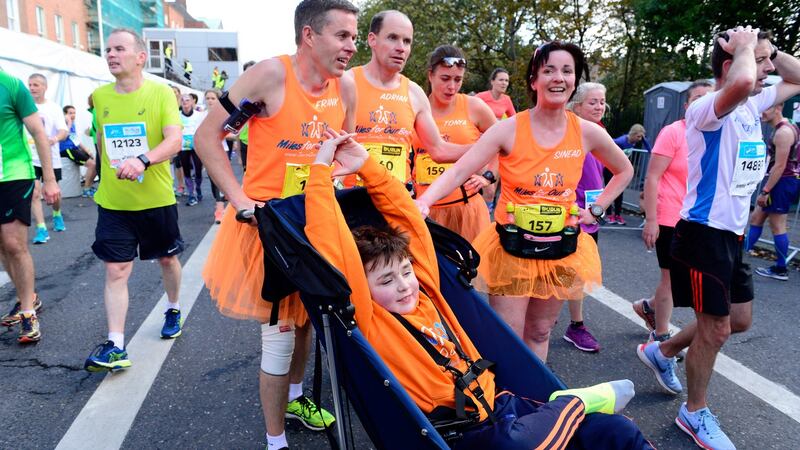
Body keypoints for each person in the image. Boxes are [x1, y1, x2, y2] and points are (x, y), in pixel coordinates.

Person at [305, 129, 653, 450]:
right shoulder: (369, 314)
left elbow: (406, 217)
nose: (402, 286)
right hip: (465, 432)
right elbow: (330, 246)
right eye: (386, 281)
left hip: (502, 405)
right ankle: (574, 403)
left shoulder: (426, 288)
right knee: (516, 446)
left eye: (405, 272)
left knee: (617, 432)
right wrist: (320, 170)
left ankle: (568, 411)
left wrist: (365, 165)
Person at [193, 1, 358, 448]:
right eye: (343, 36)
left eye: (355, 37)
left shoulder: (345, 88)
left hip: (318, 227)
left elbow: (347, 153)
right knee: (280, 337)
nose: (352, 46)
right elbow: (207, 136)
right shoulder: (270, 76)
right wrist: (240, 198)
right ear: (309, 35)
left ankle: (298, 398)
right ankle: (275, 441)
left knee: (306, 322)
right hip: (268, 229)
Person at [416, 41, 633, 362]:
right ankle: (506, 404)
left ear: (574, 81)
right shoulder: (508, 129)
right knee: (508, 337)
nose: (558, 77)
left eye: (567, 70)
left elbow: (624, 170)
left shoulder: (587, 132)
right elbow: (461, 168)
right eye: (549, 70)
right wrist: (424, 201)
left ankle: (534, 405)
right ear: (534, 80)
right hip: (512, 248)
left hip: (561, 249)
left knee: (540, 331)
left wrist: (597, 210)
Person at [636, 26, 800, 450]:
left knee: (739, 320)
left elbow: (797, 78)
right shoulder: (708, 108)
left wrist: (769, 50)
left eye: (768, 61)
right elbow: (743, 80)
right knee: (717, 329)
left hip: (733, 234)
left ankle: (664, 348)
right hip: (701, 236)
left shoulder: (754, 103)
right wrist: (747, 52)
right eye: (760, 61)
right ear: (730, 65)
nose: (768, 72)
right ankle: (694, 412)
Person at [83, 28, 185, 372]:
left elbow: (174, 140)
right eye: (108, 49)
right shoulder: (99, 96)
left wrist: (142, 160)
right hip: (113, 202)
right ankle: (115, 345)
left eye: (120, 49)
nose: (111, 54)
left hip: (155, 198)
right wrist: (94, 172)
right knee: (115, 270)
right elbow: (101, 138)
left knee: (167, 261)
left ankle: (173, 307)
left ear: (140, 57)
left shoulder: (160, 94)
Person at [345, 10, 470, 188]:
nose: (401, 47)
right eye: (392, 37)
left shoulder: (414, 92)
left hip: (397, 201)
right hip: (351, 203)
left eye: (407, 41)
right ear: (372, 39)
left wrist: (487, 147)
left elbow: (438, 150)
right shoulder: (346, 83)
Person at [635, 80, 714, 346]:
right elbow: (653, 176)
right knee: (670, 278)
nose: (704, 102)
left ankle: (648, 306)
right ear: (687, 105)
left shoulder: (716, 133)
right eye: (698, 97)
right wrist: (651, 219)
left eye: (710, 97)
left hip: (700, 219)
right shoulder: (673, 132)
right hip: (671, 216)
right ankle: (660, 336)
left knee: (686, 278)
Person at [0, 69, 61, 342]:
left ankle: (27, 312)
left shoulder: (11, 85)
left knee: (14, 244)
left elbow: (38, 131)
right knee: (1, 245)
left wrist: (49, 179)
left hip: (13, 173)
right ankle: (30, 297)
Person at [411, 45, 496, 242]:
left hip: (467, 211)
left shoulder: (474, 107)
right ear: (430, 75)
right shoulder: (414, 108)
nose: (452, 87)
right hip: (426, 211)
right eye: (445, 78)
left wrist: (489, 177)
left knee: (474, 271)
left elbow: (505, 144)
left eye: (458, 80)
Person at [560, 81, 609, 353]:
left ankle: (569, 322)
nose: (599, 106)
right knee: (568, 272)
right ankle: (573, 324)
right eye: (593, 102)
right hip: (569, 215)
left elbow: (617, 171)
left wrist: (597, 208)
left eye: (602, 102)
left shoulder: (599, 132)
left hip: (590, 216)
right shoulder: (567, 132)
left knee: (574, 273)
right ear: (576, 105)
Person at [745, 102, 800, 280]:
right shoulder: (789, 126)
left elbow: (780, 166)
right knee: (756, 217)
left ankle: (781, 269)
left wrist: (766, 191)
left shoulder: (783, 133)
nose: (761, 113)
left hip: (782, 182)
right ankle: (737, 257)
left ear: (778, 107)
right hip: (783, 181)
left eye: (765, 109)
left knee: (777, 226)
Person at [26, 74, 68, 243]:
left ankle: (57, 214)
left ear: (44, 87)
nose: (32, 88)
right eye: (29, 85)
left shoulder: (54, 107)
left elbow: (63, 131)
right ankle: (41, 228)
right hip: (30, 157)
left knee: (54, 193)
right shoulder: (24, 107)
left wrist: (54, 139)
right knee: (35, 193)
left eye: (35, 84)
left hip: (51, 158)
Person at [606, 124, 651, 225]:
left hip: (619, 170)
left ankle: (617, 214)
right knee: (609, 191)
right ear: (633, 134)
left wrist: (651, 152)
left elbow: (649, 148)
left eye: (641, 137)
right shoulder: (621, 141)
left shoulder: (635, 140)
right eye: (638, 136)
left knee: (620, 191)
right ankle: (609, 215)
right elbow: (608, 146)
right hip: (609, 168)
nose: (640, 139)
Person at [60, 105, 98, 198]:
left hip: (74, 149)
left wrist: (87, 150)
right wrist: (68, 123)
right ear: (64, 114)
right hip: (66, 150)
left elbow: (75, 139)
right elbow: (64, 136)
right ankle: (86, 189)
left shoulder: (72, 124)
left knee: (96, 163)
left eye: (74, 113)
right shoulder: (63, 124)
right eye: (70, 113)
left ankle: (88, 185)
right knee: (92, 165)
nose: (73, 115)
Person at [203, 89, 228, 223]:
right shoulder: (200, 115)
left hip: (222, 150)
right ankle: (220, 201)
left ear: (218, 100)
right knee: (213, 179)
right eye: (208, 98)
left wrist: (219, 134)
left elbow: (234, 133)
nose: (210, 101)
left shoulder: (224, 115)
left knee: (218, 178)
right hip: (207, 151)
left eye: (213, 98)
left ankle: (219, 208)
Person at [179, 94, 205, 206]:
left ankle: (198, 187)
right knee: (186, 170)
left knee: (198, 170)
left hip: (196, 146)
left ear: (192, 102)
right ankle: (191, 193)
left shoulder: (199, 115)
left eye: (187, 100)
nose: (185, 102)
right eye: (182, 100)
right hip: (183, 146)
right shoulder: (176, 115)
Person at [170, 85, 186, 196]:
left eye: (176, 92)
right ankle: (172, 186)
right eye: (172, 92)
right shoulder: (165, 105)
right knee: (173, 164)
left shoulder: (183, 107)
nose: (174, 93)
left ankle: (181, 185)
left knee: (180, 165)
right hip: (169, 139)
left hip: (184, 140)